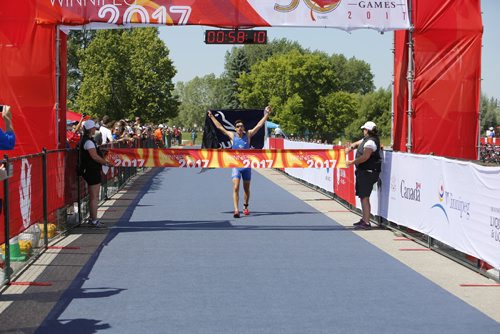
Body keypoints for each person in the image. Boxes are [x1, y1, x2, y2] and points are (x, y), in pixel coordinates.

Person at [207, 106, 272, 218]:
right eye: (237, 127)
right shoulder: (232, 136)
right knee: (236, 187)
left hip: (247, 167)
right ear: (235, 128)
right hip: (236, 166)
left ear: (244, 127)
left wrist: (267, 115)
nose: (240, 128)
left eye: (241, 126)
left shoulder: (248, 135)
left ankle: (245, 207)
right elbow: (220, 127)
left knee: (246, 189)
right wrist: (212, 116)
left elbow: (259, 125)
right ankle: (236, 210)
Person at [346, 121, 382, 230]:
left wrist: (351, 162)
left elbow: (365, 157)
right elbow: (357, 143)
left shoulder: (370, 142)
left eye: (364, 129)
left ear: (367, 130)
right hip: (365, 171)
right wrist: (350, 148)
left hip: (368, 172)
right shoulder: (367, 139)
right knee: (363, 196)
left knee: (365, 197)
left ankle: (366, 222)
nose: (363, 131)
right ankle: (364, 219)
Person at [79, 120, 110, 227]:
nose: (95, 129)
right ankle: (94, 220)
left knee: (93, 196)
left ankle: (92, 218)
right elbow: (94, 156)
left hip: (90, 170)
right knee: (94, 196)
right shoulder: (88, 142)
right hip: (91, 170)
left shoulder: (87, 140)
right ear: (90, 129)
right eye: (94, 128)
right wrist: (106, 162)